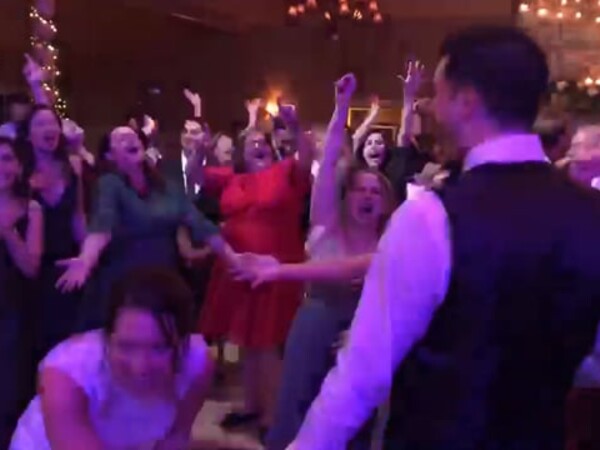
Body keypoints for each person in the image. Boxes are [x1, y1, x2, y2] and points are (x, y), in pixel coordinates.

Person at [287, 25, 600, 450]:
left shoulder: (431, 216)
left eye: (438, 94)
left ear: (466, 102)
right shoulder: (590, 212)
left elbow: (363, 371)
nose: (432, 109)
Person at [257, 73, 393, 450]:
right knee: (300, 404)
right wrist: (342, 105)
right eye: (360, 190)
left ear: (385, 202)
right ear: (345, 196)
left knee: (356, 414)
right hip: (315, 324)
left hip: (361, 329)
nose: (368, 197)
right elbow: (330, 156)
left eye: (375, 192)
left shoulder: (387, 239)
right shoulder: (326, 224)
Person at [192, 102, 313, 437]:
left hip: (273, 269)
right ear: (241, 153)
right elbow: (196, 175)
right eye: (251, 143)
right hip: (237, 271)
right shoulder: (232, 179)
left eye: (263, 142)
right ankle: (251, 406)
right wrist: (200, 150)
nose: (258, 145)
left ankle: (272, 418)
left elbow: (307, 155)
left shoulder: (286, 172)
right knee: (248, 341)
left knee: (267, 343)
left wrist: (296, 125)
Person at [55, 126, 241, 331]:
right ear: (110, 155)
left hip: (162, 283)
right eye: (121, 139)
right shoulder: (110, 184)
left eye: (133, 136)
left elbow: (201, 225)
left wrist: (233, 258)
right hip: (123, 286)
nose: (130, 139)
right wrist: (86, 258)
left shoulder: (166, 187)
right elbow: (102, 225)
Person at [10, 266, 214, 450]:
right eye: (126, 346)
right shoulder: (67, 372)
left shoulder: (197, 364)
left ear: (183, 341)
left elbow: (176, 438)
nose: (140, 367)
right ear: (106, 337)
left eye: (159, 348)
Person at [16, 104, 86, 369]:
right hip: (31, 270)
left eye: (52, 123)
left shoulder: (72, 166)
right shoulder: (18, 172)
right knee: (36, 346)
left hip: (67, 264)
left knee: (70, 347)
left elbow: (78, 216)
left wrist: (86, 259)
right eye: (40, 124)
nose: (49, 129)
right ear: (28, 135)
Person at [0, 137, 43, 448]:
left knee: (9, 390)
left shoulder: (31, 207)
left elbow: (31, 266)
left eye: (6, 159)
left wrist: (6, 231)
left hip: (13, 308)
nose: (0, 166)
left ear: (18, 165)